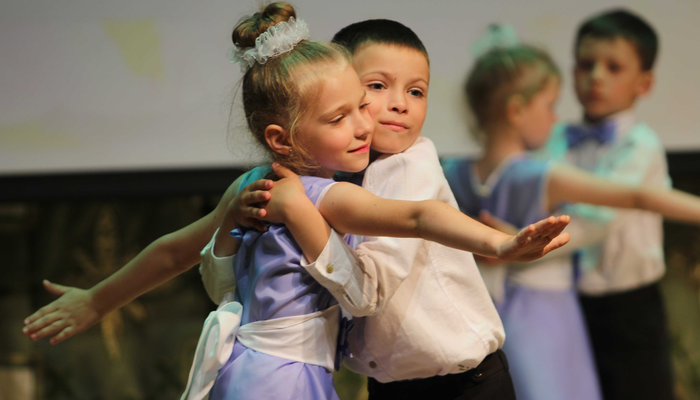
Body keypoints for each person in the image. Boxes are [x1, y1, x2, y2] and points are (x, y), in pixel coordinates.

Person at [23, 6, 570, 400]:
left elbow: (413, 225)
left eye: (416, 91)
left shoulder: (399, 171)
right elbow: (176, 250)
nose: (389, 109)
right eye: (369, 92)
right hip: (305, 378)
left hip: (460, 382)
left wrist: (501, 244)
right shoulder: (301, 186)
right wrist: (98, 299)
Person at [535, 9, 675, 400]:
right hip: (566, 300)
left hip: (628, 307)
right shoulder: (557, 137)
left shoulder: (641, 146)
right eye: (586, 64)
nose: (596, 76)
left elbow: (596, 221)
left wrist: (520, 246)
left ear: (644, 82)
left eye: (614, 67)